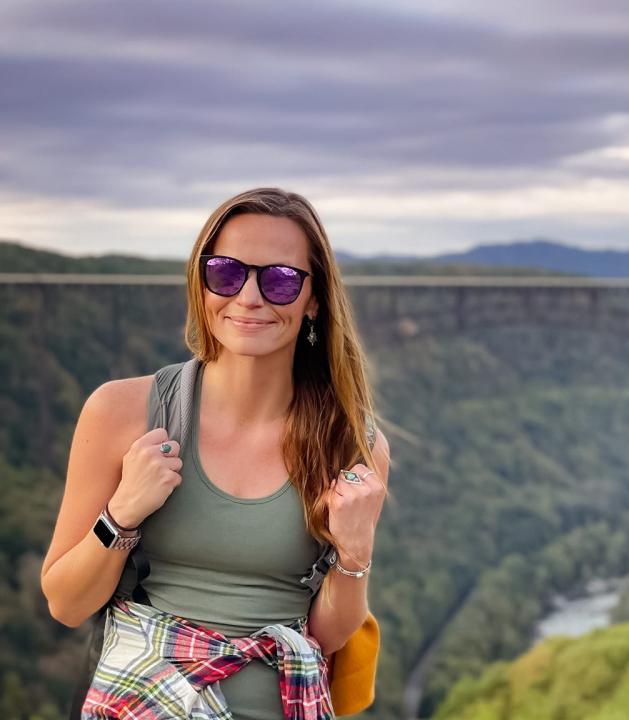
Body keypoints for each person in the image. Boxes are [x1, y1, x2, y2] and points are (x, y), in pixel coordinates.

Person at [40, 187, 390, 719]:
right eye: (226, 272)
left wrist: (354, 554)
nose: (249, 298)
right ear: (201, 282)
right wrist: (122, 514)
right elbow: (66, 604)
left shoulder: (352, 444)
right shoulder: (122, 413)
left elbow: (329, 634)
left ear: (314, 299)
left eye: (279, 280)